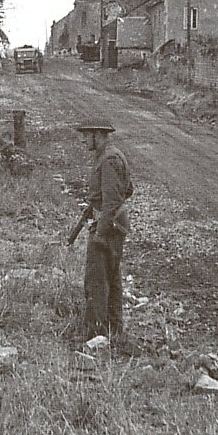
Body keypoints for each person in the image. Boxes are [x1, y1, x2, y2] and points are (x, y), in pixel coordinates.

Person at [76, 120, 134, 339]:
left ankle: (96, 333)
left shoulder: (109, 159)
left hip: (108, 228)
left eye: (86, 135)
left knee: (97, 279)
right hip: (113, 225)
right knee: (112, 276)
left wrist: (100, 231)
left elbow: (112, 199)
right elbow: (127, 189)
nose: (83, 140)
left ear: (97, 135)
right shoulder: (109, 155)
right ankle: (114, 330)